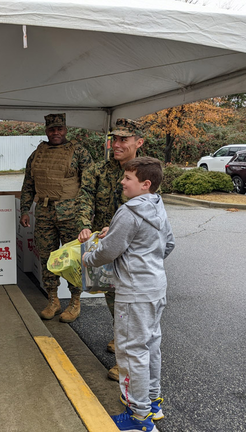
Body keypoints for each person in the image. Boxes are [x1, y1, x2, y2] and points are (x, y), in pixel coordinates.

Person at [82, 157, 175, 432]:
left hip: (134, 294)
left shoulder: (129, 211)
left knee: (131, 352)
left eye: (128, 178)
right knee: (150, 346)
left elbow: (108, 252)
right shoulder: (157, 205)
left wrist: (88, 257)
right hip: (156, 288)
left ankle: (138, 418)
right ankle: (153, 405)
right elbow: (167, 243)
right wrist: (146, 260)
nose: (122, 182)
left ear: (145, 184)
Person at [76, 118, 145, 381]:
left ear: (138, 142)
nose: (116, 144)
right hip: (106, 246)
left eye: (123, 140)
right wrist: (84, 224)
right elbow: (84, 198)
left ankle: (126, 366)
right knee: (113, 299)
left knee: (129, 305)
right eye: (113, 139)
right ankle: (121, 338)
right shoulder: (98, 170)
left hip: (133, 251)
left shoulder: (146, 172)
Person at [20, 113, 92, 322]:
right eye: (52, 129)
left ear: (66, 129)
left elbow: (89, 186)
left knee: (73, 260)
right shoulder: (37, 154)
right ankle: (53, 300)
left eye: (60, 128)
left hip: (72, 215)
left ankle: (75, 302)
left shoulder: (79, 153)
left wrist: (87, 216)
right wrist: (25, 209)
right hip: (44, 213)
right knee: (48, 258)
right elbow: (28, 185)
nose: (56, 132)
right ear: (46, 130)